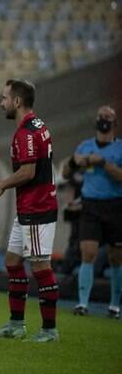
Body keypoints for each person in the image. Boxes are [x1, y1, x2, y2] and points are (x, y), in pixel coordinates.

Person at [0, 79, 59, 342]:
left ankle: (50, 329)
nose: (1, 102)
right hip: (29, 208)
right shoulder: (36, 126)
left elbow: (28, 172)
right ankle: (16, 325)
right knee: (12, 261)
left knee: (41, 267)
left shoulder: (26, 133)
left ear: (17, 101)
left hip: (38, 208)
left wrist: (1, 185)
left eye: (5, 97)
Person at [72, 106, 122, 318]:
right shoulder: (85, 146)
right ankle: (83, 304)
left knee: (116, 257)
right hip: (91, 205)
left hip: (115, 205)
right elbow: (73, 163)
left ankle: (114, 305)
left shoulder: (119, 148)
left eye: (108, 118)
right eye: (101, 117)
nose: (104, 120)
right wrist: (80, 161)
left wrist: (102, 162)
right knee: (88, 252)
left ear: (114, 123)